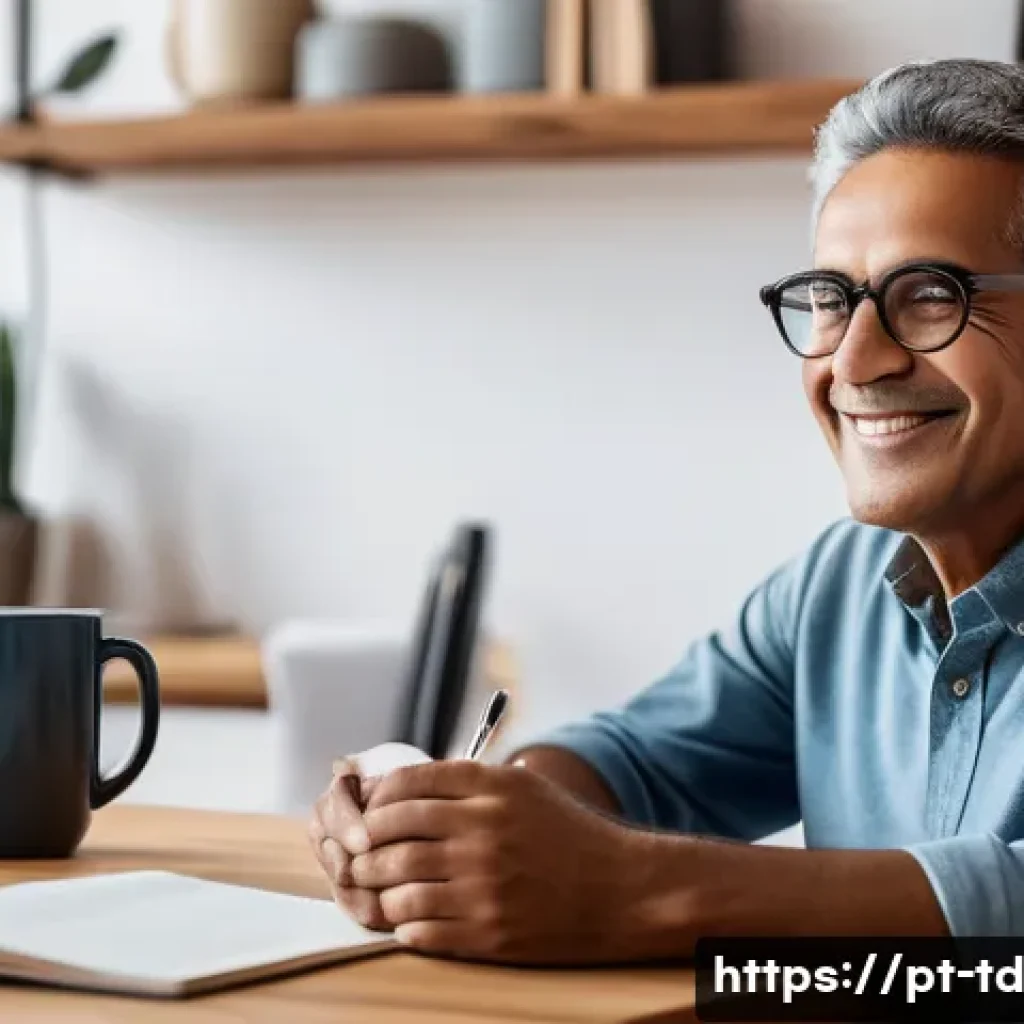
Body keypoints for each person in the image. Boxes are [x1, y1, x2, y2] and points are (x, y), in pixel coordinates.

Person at [309, 58, 1024, 963]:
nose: (854, 361)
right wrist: (453, 824)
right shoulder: (834, 591)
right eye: (833, 300)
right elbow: (629, 763)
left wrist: (631, 889)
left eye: (931, 297)